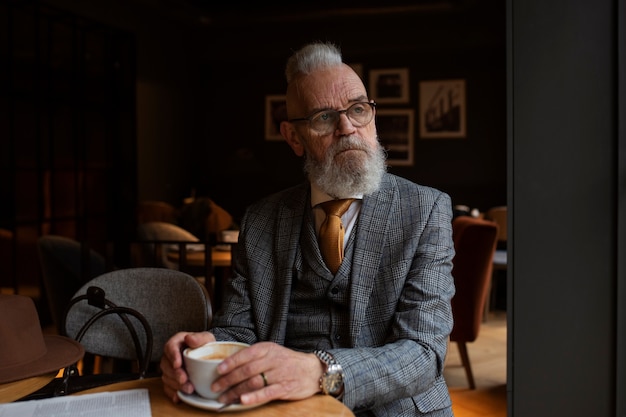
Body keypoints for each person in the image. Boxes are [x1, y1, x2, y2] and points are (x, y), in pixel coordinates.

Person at [160, 41, 456, 417]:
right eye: (324, 117)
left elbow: (424, 352)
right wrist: (203, 350)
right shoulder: (261, 220)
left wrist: (322, 372)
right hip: (285, 409)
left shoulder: (425, 210)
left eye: (358, 110)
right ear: (293, 137)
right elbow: (238, 333)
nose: (347, 127)